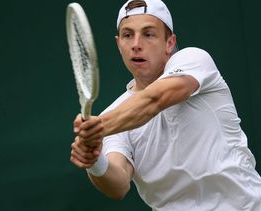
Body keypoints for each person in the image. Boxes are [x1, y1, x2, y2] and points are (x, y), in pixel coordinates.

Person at [70, 0, 261, 210]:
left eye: (148, 34)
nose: (136, 44)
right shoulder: (113, 116)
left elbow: (155, 99)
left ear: (170, 43)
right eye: (127, 35)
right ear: (119, 44)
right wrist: (95, 161)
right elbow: (119, 185)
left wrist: (97, 129)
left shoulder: (194, 60)